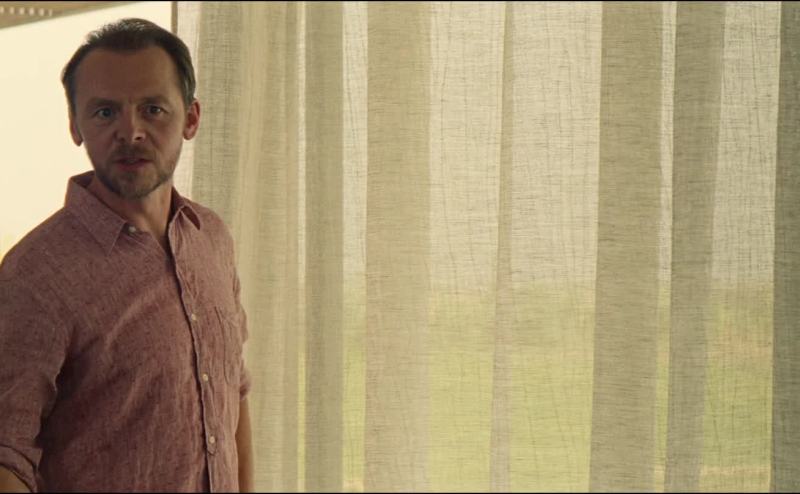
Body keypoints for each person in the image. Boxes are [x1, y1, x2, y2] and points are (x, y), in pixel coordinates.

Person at [0, 18, 253, 492]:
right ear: (75, 126)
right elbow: (6, 453)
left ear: (191, 119)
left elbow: (233, 392)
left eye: (153, 109)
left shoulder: (213, 238)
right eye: (104, 112)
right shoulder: (34, 275)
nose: (130, 131)